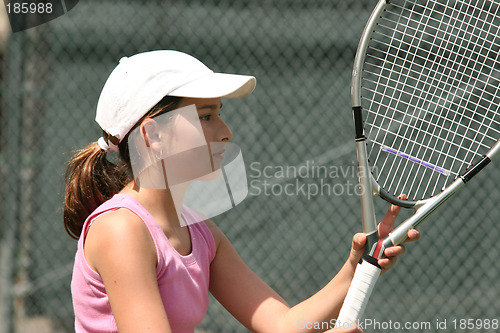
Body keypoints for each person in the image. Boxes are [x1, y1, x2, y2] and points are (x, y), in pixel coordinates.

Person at [63, 50, 420, 333]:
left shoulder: (202, 234)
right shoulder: (120, 231)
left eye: (219, 114)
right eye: (205, 116)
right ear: (153, 135)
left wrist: (358, 266)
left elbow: (282, 325)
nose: (225, 131)